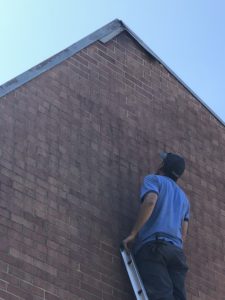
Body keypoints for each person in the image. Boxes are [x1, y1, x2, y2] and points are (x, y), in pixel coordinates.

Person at [123, 152, 190, 300]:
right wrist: (175, 249)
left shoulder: (154, 180)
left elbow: (150, 201)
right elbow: (183, 232)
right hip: (176, 253)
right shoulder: (184, 198)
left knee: (161, 296)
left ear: (163, 165)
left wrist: (134, 233)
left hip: (155, 247)